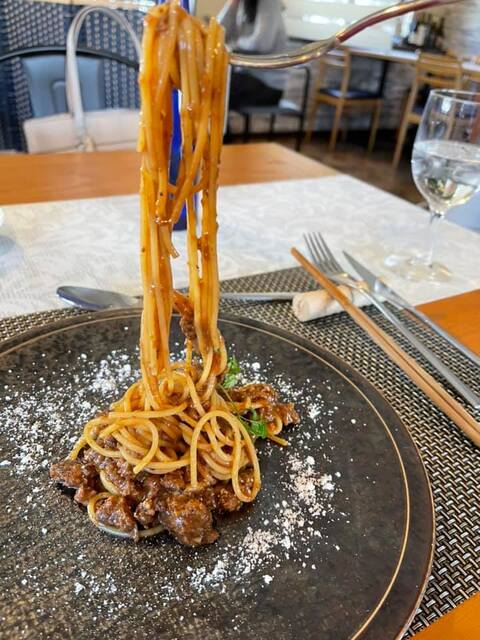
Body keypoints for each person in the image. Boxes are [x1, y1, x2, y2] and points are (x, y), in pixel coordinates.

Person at [218, 0, 288, 110]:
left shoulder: (269, 2)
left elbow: (262, 43)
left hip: (268, 85)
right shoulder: (242, 3)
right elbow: (219, 34)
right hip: (247, 76)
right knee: (214, 80)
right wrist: (232, 4)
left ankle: (217, 121)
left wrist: (233, 45)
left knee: (218, 86)